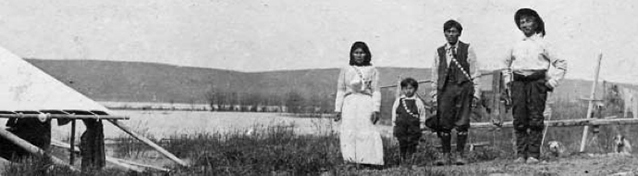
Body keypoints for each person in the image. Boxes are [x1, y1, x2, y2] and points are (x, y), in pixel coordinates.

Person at [502, 8, 567, 164]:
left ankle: (533, 155)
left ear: (536, 23)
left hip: (537, 84)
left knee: (536, 118)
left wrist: (551, 82)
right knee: (519, 118)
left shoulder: (544, 43)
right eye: (521, 22)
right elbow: (505, 63)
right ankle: (520, 154)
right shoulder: (516, 44)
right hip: (518, 84)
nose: (525, 25)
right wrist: (508, 81)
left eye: (528, 21)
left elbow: (561, 64)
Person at [429, 19, 481, 166]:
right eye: (448, 31)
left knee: (462, 121)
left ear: (459, 33)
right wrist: (434, 94)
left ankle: (460, 155)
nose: (451, 34)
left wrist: (477, 92)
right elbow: (435, 74)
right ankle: (446, 156)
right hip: (445, 90)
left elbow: (475, 72)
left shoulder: (467, 49)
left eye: (454, 31)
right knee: (444, 122)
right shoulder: (439, 51)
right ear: (444, 33)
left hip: (464, 89)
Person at [334, 41, 384, 166]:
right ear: (351, 54)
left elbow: (376, 90)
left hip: (366, 103)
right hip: (349, 103)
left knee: (366, 129)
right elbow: (341, 90)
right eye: (356, 53)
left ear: (367, 54)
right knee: (349, 130)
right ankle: (350, 159)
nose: (359, 55)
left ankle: (369, 160)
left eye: (362, 53)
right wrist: (338, 109)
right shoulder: (345, 69)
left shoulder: (373, 70)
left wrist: (376, 109)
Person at [391, 77, 426, 161]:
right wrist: (394, 125)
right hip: (401, 126)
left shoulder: (418, 101)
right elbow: (394, 113)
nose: (408, 91)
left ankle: (411, 160)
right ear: (402, 89)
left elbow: (422, 113)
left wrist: (422, 125)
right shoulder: (398, 100)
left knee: (413, 142)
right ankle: (402, 159)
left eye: (410, 88)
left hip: (414, 127)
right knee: (402, 142)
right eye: (405, 88)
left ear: (415, 89)